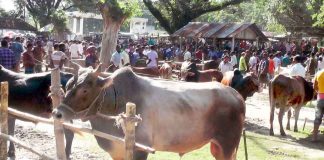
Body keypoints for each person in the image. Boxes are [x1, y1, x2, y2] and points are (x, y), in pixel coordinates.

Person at [312, 69, 324, 141]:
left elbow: (315, 87)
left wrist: (319, 92)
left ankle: (314, 138)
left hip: (320, 99)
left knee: (317, 118)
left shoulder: (319, 73)